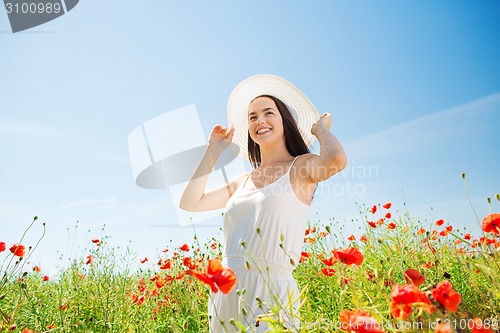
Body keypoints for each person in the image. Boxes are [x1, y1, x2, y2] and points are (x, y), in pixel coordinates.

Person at [179, 74, 347, 332]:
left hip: (270, 290)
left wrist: (320, 130)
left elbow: (335, 160)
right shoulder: (242, 181)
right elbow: (190, 202)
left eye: (269, 113)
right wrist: (213, 151)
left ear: (284, 121)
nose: (260, 121)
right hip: (227, 289)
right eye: (252, 117)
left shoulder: (300, 167)